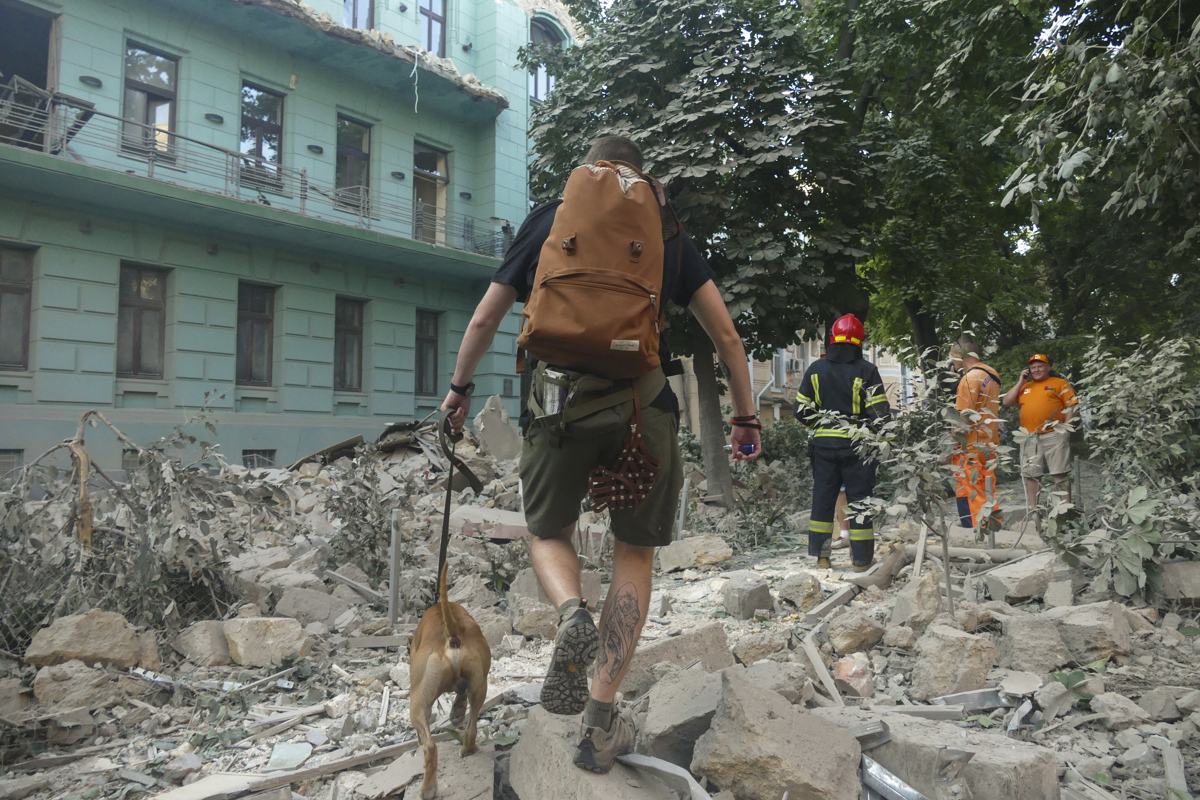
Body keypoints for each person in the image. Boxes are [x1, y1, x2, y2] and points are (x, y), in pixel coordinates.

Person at [440, 135, 761, 774]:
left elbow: (484, 320)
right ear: (641, 178)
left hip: (556, 406)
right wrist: (745, 416)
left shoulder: (551, 219)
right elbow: (726, 335)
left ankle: (569, 614)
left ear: (586, 168)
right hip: (643, 408)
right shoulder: (664, 232)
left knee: (547, 532)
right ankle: (598, 720)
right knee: (633, 554)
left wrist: (458, 390)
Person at [793, 314, 892, 571]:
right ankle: (861, 561)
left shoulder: (816, 369)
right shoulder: (867, 371)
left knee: (823, 499)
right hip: (858, 447)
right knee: (860, 501)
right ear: (860, 340)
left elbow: (800, 410)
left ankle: (822, 557)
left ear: (832, 338)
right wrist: (883, 441)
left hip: (823, 447)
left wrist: (823, 425)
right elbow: (880, 414)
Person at [1002, 353, 1078, 507]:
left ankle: (1065, 510)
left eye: (1040, 366)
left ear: (1048, 367)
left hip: (1055, 434)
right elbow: (1007, 402)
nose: (1036, 370)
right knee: (1032, 474)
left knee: (1059, 473)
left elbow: (1071, 405)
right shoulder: (1025, 386)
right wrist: (1020, 382)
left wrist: (1066, 428)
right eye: (1033, 367)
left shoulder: (1060, 383)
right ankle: (1034, 510)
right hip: (1029, 436)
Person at [948, 335, 1002, 529]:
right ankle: (993, 527)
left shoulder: (969, 380)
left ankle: (975, 530)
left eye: (952, 356)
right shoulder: (991, 374)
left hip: (969, 446)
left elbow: (962, 419)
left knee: (969, 490)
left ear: (959, 355)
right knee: (988, 489)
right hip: (989, 442)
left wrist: (949, 447)